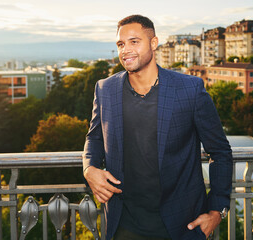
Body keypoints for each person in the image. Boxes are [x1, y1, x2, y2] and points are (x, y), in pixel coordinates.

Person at [83, 14, 233, 240]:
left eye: (134, 42)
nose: (126, 50)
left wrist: (217, 211)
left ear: (154, 43)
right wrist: (89, 168)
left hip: (183, 225)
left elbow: (220, 151)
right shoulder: (105, 89)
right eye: (121, 44)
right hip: (124, 224)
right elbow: (94, 138)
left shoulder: (189, 89)